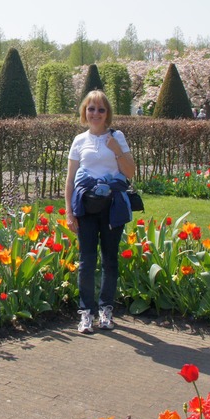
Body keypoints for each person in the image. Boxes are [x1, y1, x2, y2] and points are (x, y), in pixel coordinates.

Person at [65, 90, 136, 334]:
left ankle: (106, 309)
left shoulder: (118, 137)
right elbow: (71, 178)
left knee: (109, 259)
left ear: (108, 114)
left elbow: (130, 172)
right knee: (86, 261)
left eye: (101, 109)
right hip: (85, 207)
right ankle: (86, 313)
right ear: (85, 111)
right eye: (91, 109)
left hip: (111, 206)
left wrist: (116, 149)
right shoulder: (79, 140)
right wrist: (68, 212)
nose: (95, 113)